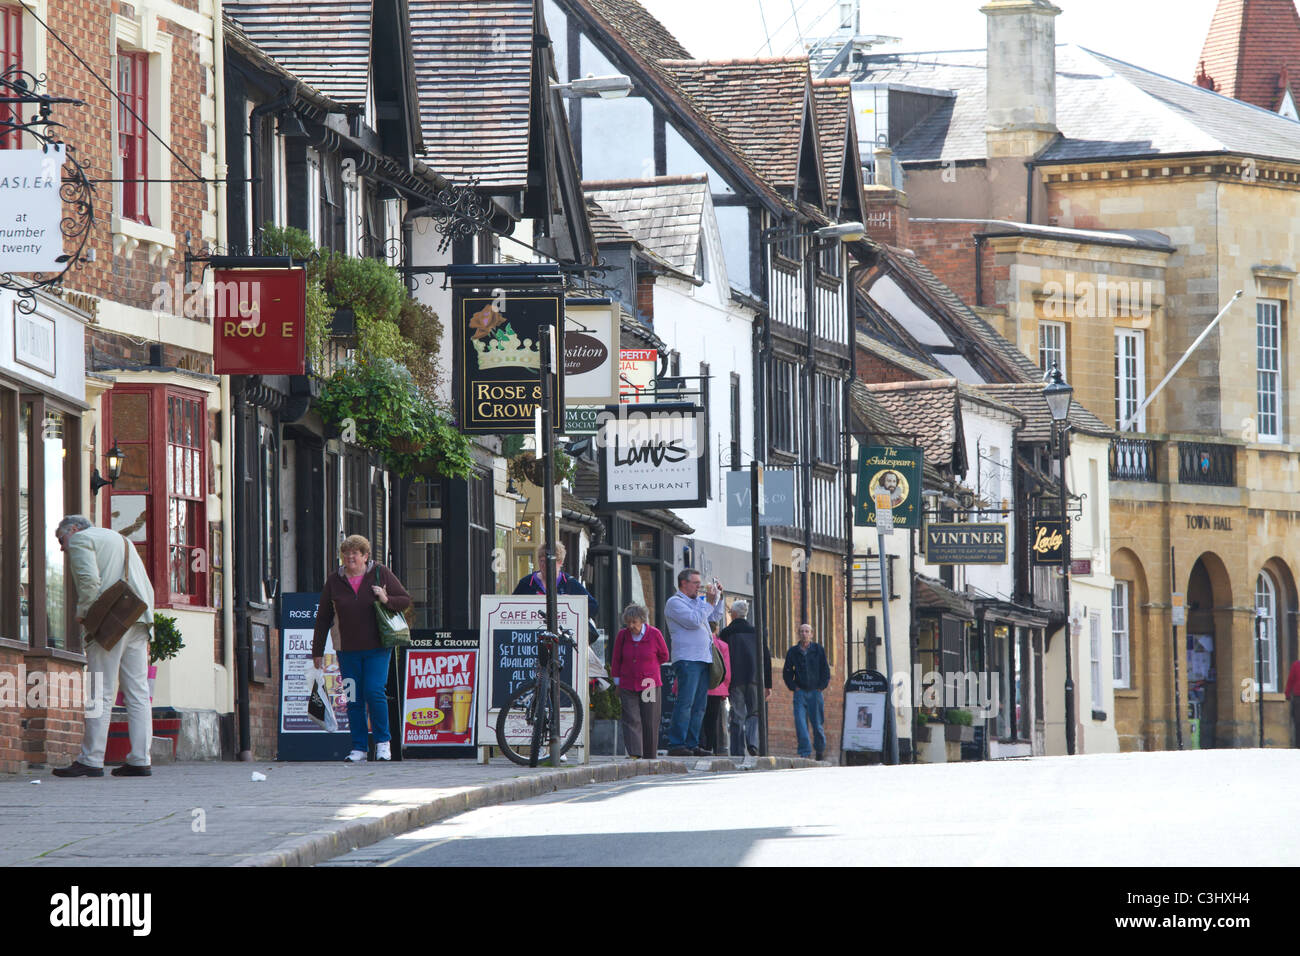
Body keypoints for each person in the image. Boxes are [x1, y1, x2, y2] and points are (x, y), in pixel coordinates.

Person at [52, 515, 155, 778]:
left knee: (101, 690)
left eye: (61, 540)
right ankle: (140, 759)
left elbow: (88, 581)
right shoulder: (120, 539)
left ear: (74, 530)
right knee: (138, 693)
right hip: (139, 617)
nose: (62, 548)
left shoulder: (82, 540)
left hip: (111, 623)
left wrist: (84, 613)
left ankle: (91, 759)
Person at [312, 535, 411, 763]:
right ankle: (359, 747)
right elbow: (323, 617)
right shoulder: (334, 581)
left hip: (378, 647)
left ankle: (383, 744)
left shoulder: (380, 573)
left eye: (355, 553)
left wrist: (386, 598)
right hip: (347, 650)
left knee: (374, 691)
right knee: (353, 697)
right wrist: (317, 651)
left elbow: (404, 600)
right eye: (346, 554)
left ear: (365, 556)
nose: (350, 557)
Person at [663, 568, 726, 756]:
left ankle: (692, 743)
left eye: (700, 583)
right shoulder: (675, 603)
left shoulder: (697, 602)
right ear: (684, 583)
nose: (699, 587)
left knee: (700, 705)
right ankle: (677, 744)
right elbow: (693, 621)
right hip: (688, 659)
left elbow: (714, 617)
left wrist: (719, 598)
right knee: (686, 702)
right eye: (696, 583)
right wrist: (708, 602)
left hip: (703, 657)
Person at [610, 603, 669, 759]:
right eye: (628, 622)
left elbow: (664, 656)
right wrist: (617, 682)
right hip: (628, 683)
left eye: (634, 622)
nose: (631, 626)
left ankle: (649, 754)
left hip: (648, 683)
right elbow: (616, 659)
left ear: (642, 620)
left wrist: (650, 667)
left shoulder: (654, 634)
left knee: (649, 719)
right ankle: (635, 753)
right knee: (631, 718)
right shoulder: (622, 636)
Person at [720, 599, 771, 756]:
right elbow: (766, 658)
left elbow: (721, 658)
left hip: (735, 679)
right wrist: (768, 684)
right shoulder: (756, 632)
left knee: (738, 714)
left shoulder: (726, 633)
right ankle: (752, 742)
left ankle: (737, 750)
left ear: (734, 614)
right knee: (754, 713)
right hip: (755, 679)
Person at [782, 623, 831, 761]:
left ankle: (820, 750)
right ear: (799, 633)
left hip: (815, 692)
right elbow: (787, 672)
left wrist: (821, 686)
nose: (804, 634)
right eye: (802, 631)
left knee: (817, 724)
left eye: (807, 631)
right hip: (800, 692)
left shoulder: (818, 650)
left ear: (812, 634)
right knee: (800, 723)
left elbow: (825, 670)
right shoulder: (793, 652)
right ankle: (805, 752)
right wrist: (793, 687)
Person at [700, 621, 731, 755]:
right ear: (717, 629)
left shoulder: (698, 644)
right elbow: (726, 670)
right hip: (717, 688)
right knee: (712, 720)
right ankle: (710, 747)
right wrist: (725, 687)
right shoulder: (722, 645)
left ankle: (700, 745)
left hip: (700, 687)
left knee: (699, 717)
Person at [1286, 657, 1300, 748]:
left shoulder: (1296, 665)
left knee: (1298, 721)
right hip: (1297, 697)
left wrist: (1287, 693)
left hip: (1297, 697)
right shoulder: (1296, 665)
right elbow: (1290, 680)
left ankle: (1298, 744)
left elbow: (1290, 680)